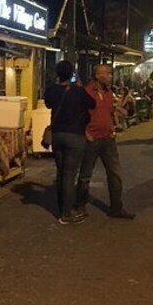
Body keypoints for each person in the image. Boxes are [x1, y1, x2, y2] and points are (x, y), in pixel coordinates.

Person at [75, 64, 135, 219]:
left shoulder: (109, 93)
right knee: (85, 175)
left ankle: (116, 207)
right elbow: (78, 115)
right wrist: (86, 133)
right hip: (92, 139)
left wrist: (115, 124)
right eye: (107, 74)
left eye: (110, 74)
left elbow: (110, 112)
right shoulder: (87, 92)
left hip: (108, 139)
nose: (110, 76)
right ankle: (80, 206)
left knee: (115, 174)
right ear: (98, 75)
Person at [44, 60, 96, 225]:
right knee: (69, 174)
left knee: (61, 172)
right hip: (74, 136)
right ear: (72, 73)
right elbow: (92, 104)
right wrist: (79, 87)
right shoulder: (78, 91)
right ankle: (66, 213)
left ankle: (62, 208)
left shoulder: (52, 90)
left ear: (57, 74)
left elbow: (48, 104)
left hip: (57, 135)